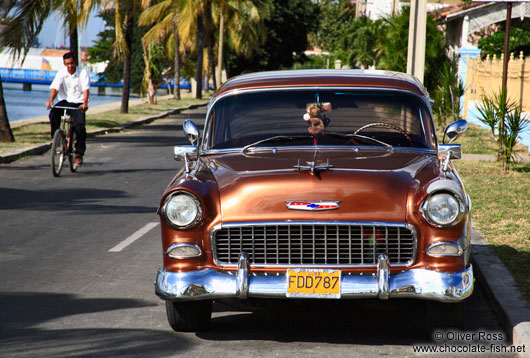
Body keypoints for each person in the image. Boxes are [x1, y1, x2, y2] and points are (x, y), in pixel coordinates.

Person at [46, 52, 90, 165]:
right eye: (67, 64)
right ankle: (57, 139)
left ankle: (79, 154)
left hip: (78, 103)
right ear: (64, 64)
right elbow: (55, 87)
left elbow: (86, 89)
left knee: (80, 127)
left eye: (71, 63)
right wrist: (50, 100)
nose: (69, 66)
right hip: (65, 101)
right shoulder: (62, 73)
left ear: (75, 62)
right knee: (53, 113)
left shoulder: (82, 73)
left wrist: (84, 103)